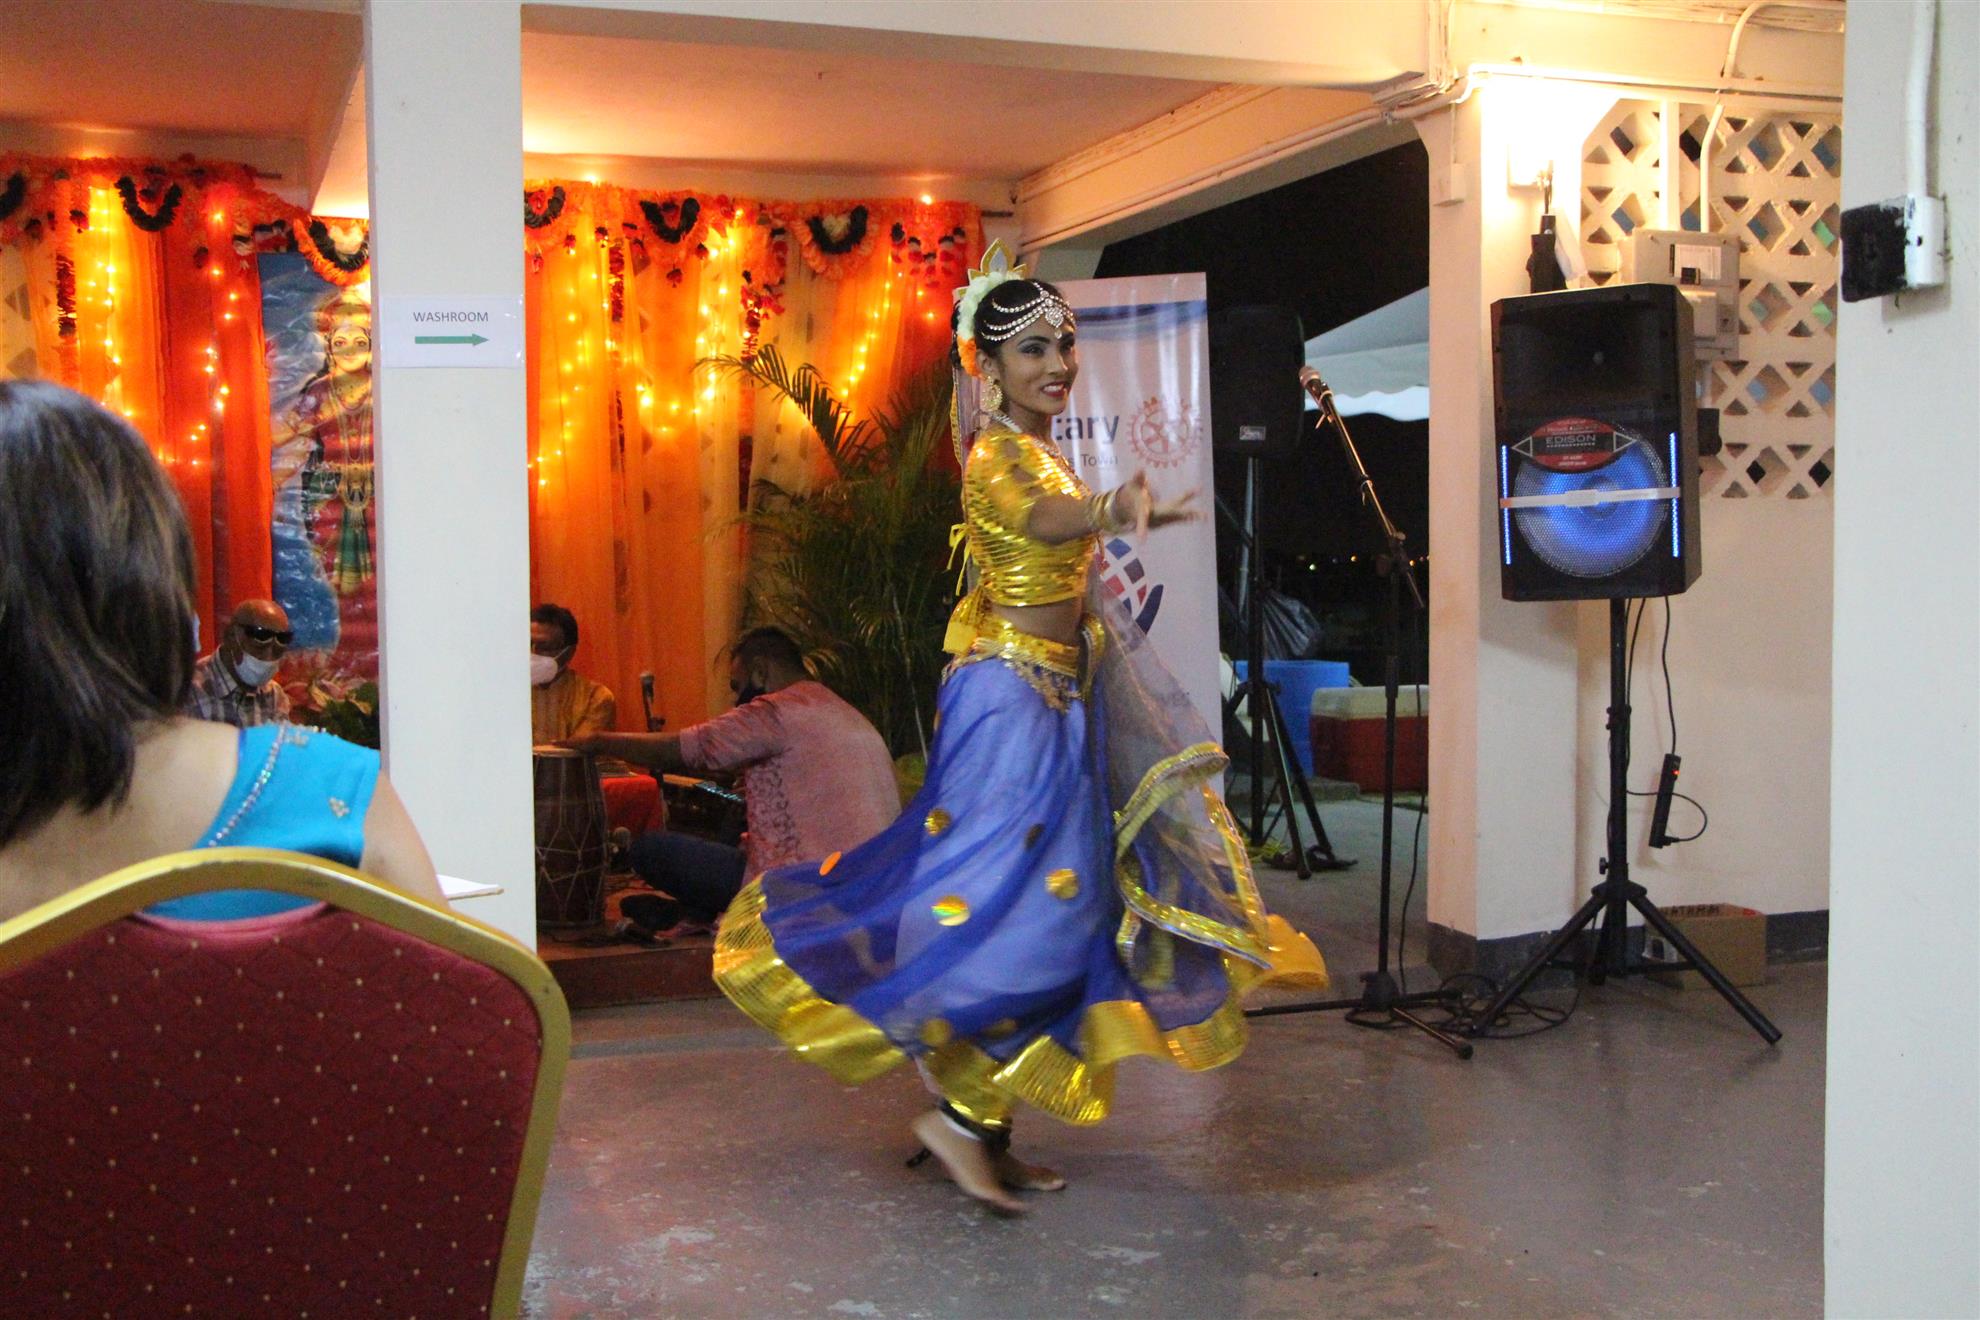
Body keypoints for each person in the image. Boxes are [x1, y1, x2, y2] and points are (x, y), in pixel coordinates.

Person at [708, 244, 1327, 1215]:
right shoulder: (1000, 455)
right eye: (1034, 348)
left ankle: (982, 1125)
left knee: (1055, 908)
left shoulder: (1038, 447)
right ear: (987, 368)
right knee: (1010, 907)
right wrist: (1108, 508)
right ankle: (963, 1121)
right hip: (1008, 704)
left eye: (1064, 345)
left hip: (1051, 700)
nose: (1058, 364)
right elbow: (1040, 520)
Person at [0, 379, 443, 924]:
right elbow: (459, 978)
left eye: (280, 641)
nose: (270, 650)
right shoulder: (334, 801)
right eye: (259, 637)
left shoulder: (288, 720)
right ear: (155, 570)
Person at [564, 627, 900, 939]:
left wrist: (599, 742)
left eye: (737, 686)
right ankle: (695, 913)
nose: (738, 699)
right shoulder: (842, 711)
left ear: (761, 672)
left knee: (650, 850)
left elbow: (685, 748)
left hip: (803, 889)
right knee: (733, 821)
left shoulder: (775, 711)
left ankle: (700, 912)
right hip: (876, 888)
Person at [184, 599, 294, 727]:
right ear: (230, 636)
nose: (267, 658)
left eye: (276, 651)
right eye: (259, 647)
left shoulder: (274, 696)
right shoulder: (189, 691)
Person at [530, 603, 617, 743]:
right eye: (528, 645)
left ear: (569, 652)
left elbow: (576, 751)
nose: (533, 653)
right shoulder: (507, 694)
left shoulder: (595, 697)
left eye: (544, 647)